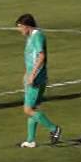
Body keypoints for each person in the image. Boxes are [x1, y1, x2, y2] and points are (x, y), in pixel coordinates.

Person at [16, 14, 61, 148]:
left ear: (26, 26)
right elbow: (31, 58)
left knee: (28, 109)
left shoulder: (37, 36)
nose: (19, 30)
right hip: (32, 77)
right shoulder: (32, 36)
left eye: (19, 27)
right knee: (33, 109)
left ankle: (54, 129)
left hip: (37, 79)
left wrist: (32, 75)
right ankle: (30, 140)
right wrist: (26, 74)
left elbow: (41, 56)